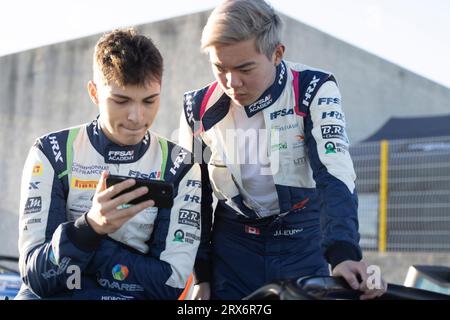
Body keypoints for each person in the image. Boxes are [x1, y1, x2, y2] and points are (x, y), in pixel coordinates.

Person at [179, 0, 386, 300]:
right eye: (219, 68)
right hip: (234, 242)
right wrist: (202, 275)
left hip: (302, 238)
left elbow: (335, 173)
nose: (231, 82)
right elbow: (194, 195)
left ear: (277, 54)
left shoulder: (314, 88)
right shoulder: (195, 108)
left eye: (244, 68)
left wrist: (343, 252)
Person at [17, 29, 203, 300]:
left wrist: (89, 245)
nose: (137, 117)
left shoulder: (180, 166)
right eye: (121, 100)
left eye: (150, 101)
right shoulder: (52, 152)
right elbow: (37, 278)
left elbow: (170, 286)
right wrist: (90, 226)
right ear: (94, 92)